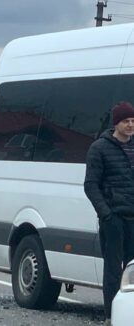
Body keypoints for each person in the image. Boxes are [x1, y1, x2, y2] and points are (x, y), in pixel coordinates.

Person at [84, 101, 134, 323]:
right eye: (126, 121)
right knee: (113, 272)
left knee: (132, 272)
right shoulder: (99, 148)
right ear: (116, 123)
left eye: (133, 121)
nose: (131, 125)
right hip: (113, 219)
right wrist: (106, 214)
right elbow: (91, 185)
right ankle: (111, 315)